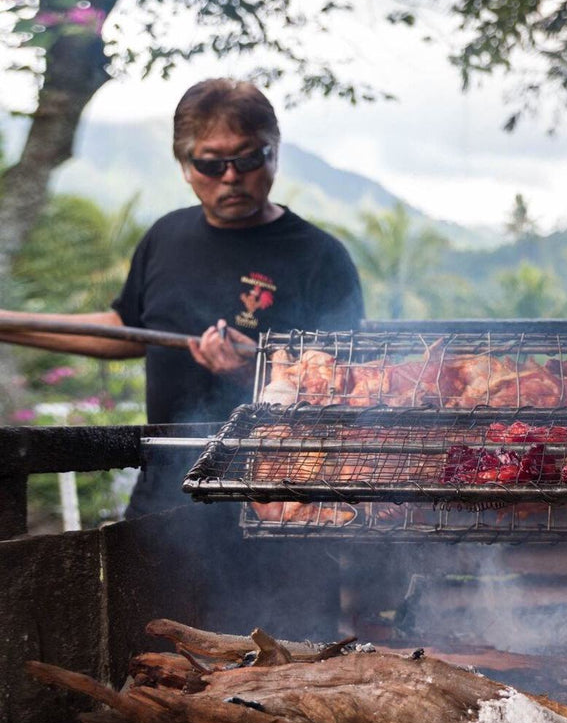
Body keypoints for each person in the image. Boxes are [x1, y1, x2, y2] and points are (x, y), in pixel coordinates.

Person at [0, 78, 364, 517]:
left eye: (248, 158)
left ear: (275, 152)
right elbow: (130, 330)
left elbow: (350, 396)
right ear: (185, 165)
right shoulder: (166, 236)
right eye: (212, 164)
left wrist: (259, 372)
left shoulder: (320, 258)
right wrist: (10, 324)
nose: (231, 177)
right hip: (164, 498)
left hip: (277, 503)